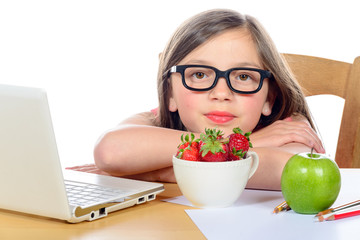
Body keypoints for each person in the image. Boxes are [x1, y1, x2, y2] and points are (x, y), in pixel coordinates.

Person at [93, 9, 325, 190]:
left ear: (269, 97)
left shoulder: (287, 128)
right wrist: (248, 143)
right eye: (200, 74)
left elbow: (294, 171)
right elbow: (110, 151)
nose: (221, 93)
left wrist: (149, 172)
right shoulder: (155, 120)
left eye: (244, 76)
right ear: (170, 94)